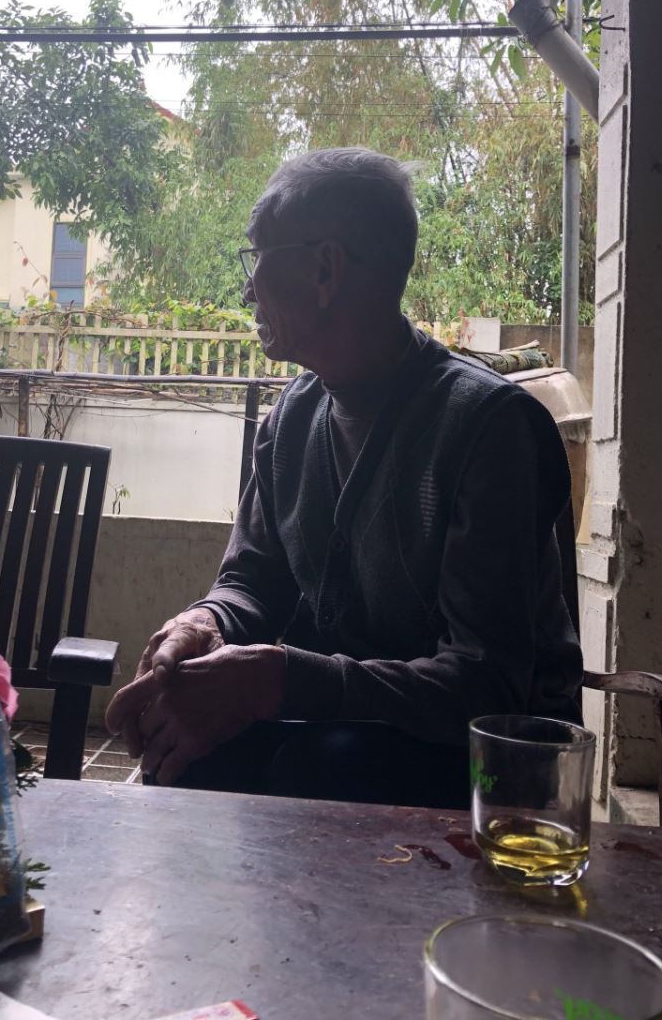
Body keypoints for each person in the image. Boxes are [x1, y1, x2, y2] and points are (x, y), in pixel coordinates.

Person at [105, 147, 582, 807]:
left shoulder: (488, 428)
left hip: (485, 775)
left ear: (324, 269)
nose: (247, 290)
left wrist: (281, 680)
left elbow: (485, 685)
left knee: (326, 767)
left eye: (257, 257)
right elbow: (252, 581)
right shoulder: (291, 420)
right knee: (181, 748)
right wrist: (207, 622)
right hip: (330, 733)